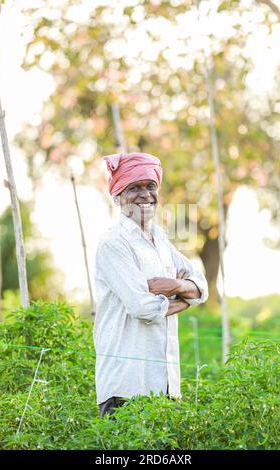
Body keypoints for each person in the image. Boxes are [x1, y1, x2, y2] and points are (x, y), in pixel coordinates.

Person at [93, 152, 208, 417]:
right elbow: (141, 307)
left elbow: (201, 288)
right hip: (126, 387)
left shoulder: (162, 242)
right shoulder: (114, 243)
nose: (145, 194)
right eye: (134, 187)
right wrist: (184, 296)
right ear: (118, 195)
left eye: (151, 186)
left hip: (165, 384)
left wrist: (171, 284)